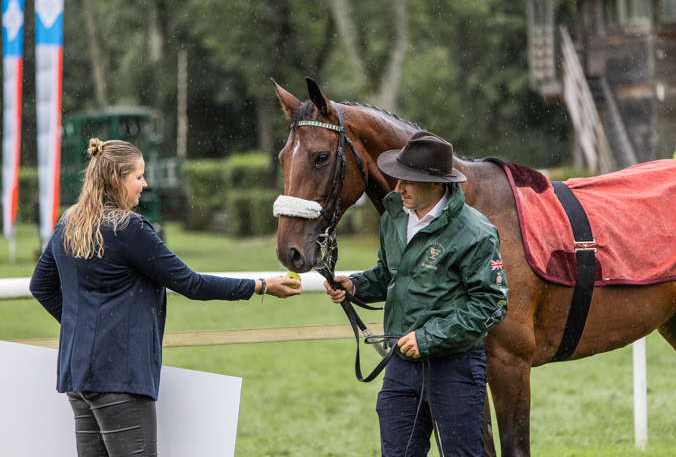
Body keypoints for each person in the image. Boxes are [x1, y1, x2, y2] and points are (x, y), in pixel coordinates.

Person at [29, 139, 301, 457]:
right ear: (117, 179)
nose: (145, 184)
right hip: (119, 376)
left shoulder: (67, 224)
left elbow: (40, 286)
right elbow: (191, 283)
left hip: (77, 375)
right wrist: (259, 286)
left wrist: (87, 329)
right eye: (139, 176)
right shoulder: (129, 228)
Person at [324, 131, 508, 456]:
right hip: (401, 364)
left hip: (456, 367)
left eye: (408, 181)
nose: (398, 188)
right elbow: (389, 274)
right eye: (398, 178)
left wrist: (427, 338)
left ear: (437, 183)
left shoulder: (475, 232)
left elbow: (491, 304)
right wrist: (355, 285)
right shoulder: (393, 217)